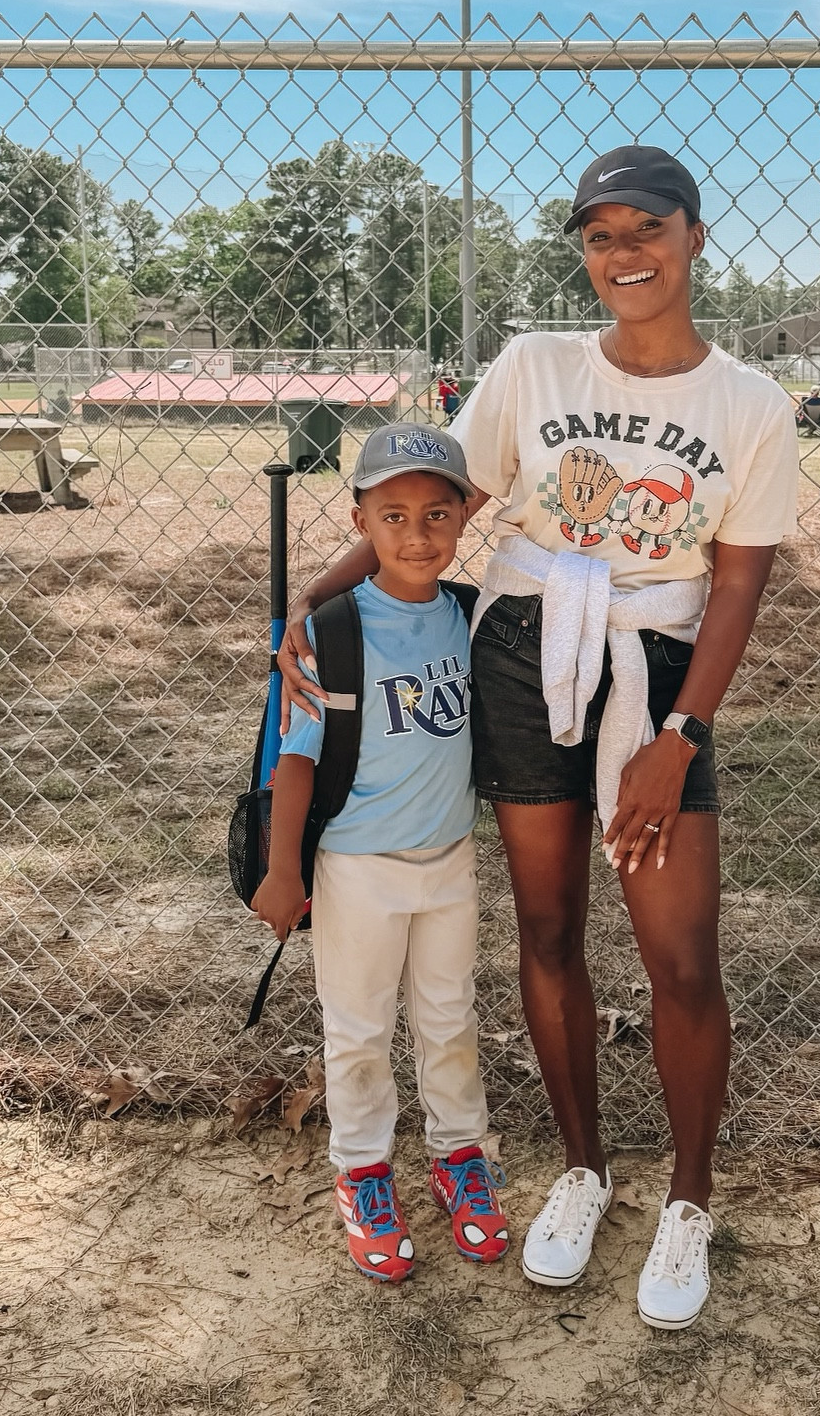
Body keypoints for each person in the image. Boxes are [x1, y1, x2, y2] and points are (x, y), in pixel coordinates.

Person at [279, 146, 798, 1331]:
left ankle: (689, 1195)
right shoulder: (532, 366)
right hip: (521, 651)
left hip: (655, 668)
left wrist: (679, 732)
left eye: (645, 229)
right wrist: (315, 602)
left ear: (694, 237)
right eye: (599, 235)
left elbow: (733, 588)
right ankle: (582, 1168)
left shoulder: (750, 405)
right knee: (549, 925)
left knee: (679, 953)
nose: (623, 254)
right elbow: (442, 501)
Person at [253, 423, 509, 1286]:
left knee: (449, 1020)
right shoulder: (334, 629)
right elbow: (297, 758)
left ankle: (459, 1156)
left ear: (466, 515)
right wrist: (284, 869)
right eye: (392, 514)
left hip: (447, 862)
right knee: (357, 1029)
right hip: (356, 868)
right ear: (359, 517)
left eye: (438, 513)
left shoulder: (474, 616)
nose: (416, 534)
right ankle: (362, 1170)